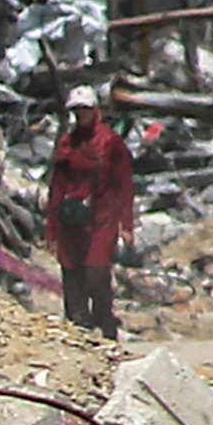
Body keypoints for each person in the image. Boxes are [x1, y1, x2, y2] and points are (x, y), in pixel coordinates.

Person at [42, 101, 141, 336]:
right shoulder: (68, 143)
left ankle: (106, 328)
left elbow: (125, 186)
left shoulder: (111, 143)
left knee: (96, 273)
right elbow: (57, 186)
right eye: (77, 111)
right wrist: (51, 229)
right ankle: (78, 329)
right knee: (72, 273)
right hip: (71, 219)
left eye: (85, 110)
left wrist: (126, 226)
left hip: (102, 218)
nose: (81, 115)